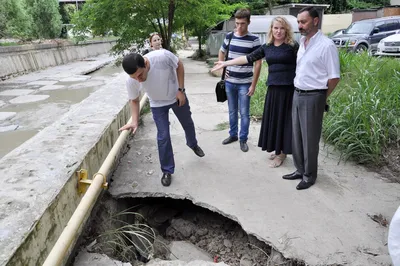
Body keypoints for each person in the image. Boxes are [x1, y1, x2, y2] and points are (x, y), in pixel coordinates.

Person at [212, 17, 298, 168]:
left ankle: (282, 154)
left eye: (282, 28)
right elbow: (247, 58)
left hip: (288, 90)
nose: (278, 31)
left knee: (285, 122)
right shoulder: (267, 46)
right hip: (273, 89)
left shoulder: (293, 46)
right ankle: (279, 150)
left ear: (287, 30)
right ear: (271, 29)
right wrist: (226, 63)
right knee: (275, 121)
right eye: (276, 28)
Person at [120, 50, 205, 187]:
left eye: (140, 75)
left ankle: (193, 144)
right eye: (134, 77)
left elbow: (179, 65)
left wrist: (181, 90)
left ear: (146, 64)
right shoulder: (132, 80)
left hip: (176, 97)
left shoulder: (162, 57)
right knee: (163, 136)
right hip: (157, 104)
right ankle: (167, 170)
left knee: (187, 123)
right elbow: (134, 100)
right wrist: (134, 121)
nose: (138, 80)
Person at [282, 6, 340, 190]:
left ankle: (309, 175)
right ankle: (299, 169)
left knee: (309, 139)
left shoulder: (326, 45)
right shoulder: (303, 43)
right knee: (297, 135)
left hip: (314, 96)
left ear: (315, 21)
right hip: (298, 93)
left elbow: (334, 77)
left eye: (303, 22)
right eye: (298, 22)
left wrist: (321, 97)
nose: (299, 25)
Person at [218, 8, 262, 152]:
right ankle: (233, 135)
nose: (239, 27)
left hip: (245, 83)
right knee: (232, 111)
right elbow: (222, 52)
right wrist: (222, 70)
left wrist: (253, 85)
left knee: (244, 113)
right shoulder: (230, 36)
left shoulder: (254, 40)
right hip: (230, 82)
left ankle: (243, 139)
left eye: (242, 23)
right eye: (237, 23)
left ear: (248, 22)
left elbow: (258, 63)